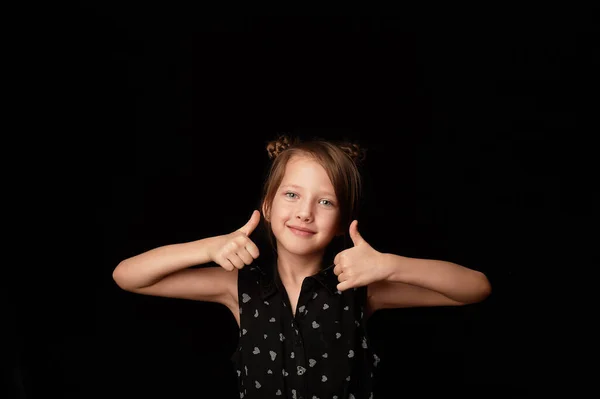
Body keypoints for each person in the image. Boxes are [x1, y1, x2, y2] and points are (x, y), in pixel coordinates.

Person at [112, 134, 492, 399]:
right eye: (292, 195)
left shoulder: (360, 286)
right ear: (269, 205)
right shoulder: (237, 286)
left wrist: (390, 265)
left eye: (325, 202)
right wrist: (209, 247)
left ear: (344, 220)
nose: (304, 213)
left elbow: (475, 288)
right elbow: (127, 276)